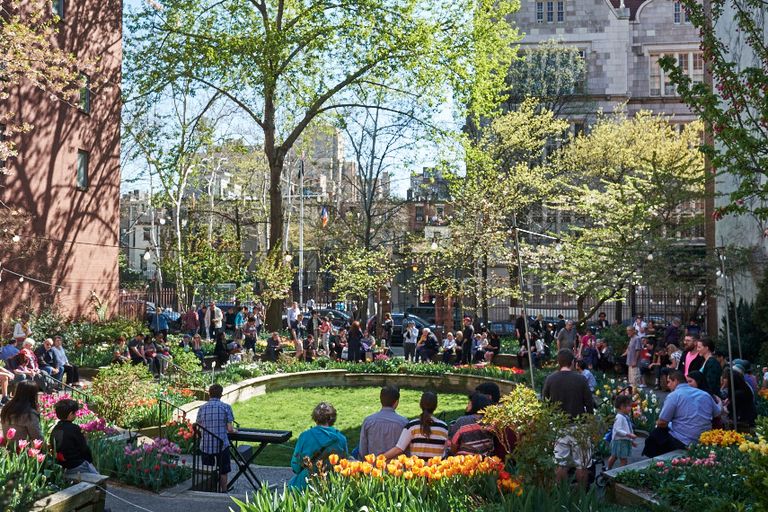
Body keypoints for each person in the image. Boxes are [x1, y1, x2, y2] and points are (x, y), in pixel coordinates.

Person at [542, 349, 595, 488]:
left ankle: (561, 493)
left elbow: (545, 404)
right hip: (579, 425)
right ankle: (582, 494)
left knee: (561, 463)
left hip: (559, 425)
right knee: (582, 463)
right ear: (572, 362)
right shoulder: (580, 379)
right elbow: (589, 404)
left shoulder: (550, 379)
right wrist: (590, 422)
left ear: (558, 362)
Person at [642, 370, 721, 458]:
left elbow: (662, 422)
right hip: (704, 438)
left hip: (683, 440)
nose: (668, 385)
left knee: (656, 434)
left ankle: (658, 463)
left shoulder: (674, 395)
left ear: (676, 381)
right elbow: (717, 413)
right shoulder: (705, 394)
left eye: (669, 382)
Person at [289, 402, 348, 490]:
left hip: (307, 484)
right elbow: (344, 463)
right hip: (333, 485)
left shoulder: (305, 436)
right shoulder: (341, 438)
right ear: (332, 418)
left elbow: (296, 466)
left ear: (315, 418)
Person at [383, 391, 449, 461]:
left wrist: (379, 458)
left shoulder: (412, 426)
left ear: (420, 405)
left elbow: (399, 449)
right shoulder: (443, 427)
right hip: (436, 470)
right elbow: (443, 451)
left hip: (417, 470)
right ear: (435, 406)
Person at [196, 384, 236, 492]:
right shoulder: (226, 407)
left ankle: (209, 490)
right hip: (221, 445)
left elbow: (199, 426)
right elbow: (230, 429)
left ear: (209, 394)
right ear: (221, 394)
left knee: (208, 469)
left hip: (206, 444)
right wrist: (234, 430)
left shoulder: (202, 408)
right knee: (223, 470)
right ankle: (223, 491)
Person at [50, 399, 99, 476]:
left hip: (62, 465)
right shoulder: (74, 428)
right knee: (99, 479)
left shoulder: (56, 428)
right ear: (70, 414)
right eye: (74, 413)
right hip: (76, 465)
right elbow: (84, 448)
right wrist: (89, 460)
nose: (76, 415)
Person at [358, 385, 408, 457]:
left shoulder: (368, 421)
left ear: (380, 399)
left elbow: (363, 449)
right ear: (396, 402)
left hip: (373, 465)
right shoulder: (403, 423)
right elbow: (406, 450)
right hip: (396, 466)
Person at [606, 395, 637, 470]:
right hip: (620, 441)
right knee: (623, 459)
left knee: (614, 456)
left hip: (623, 441)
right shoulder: (619, 417)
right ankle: (620, 472)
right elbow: (618, 430)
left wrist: (631, 441)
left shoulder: (624, 416)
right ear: (622, 407)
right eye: (629, 406)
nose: (631, 407)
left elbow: (627, 429)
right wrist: (629, 435)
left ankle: (608, 469)